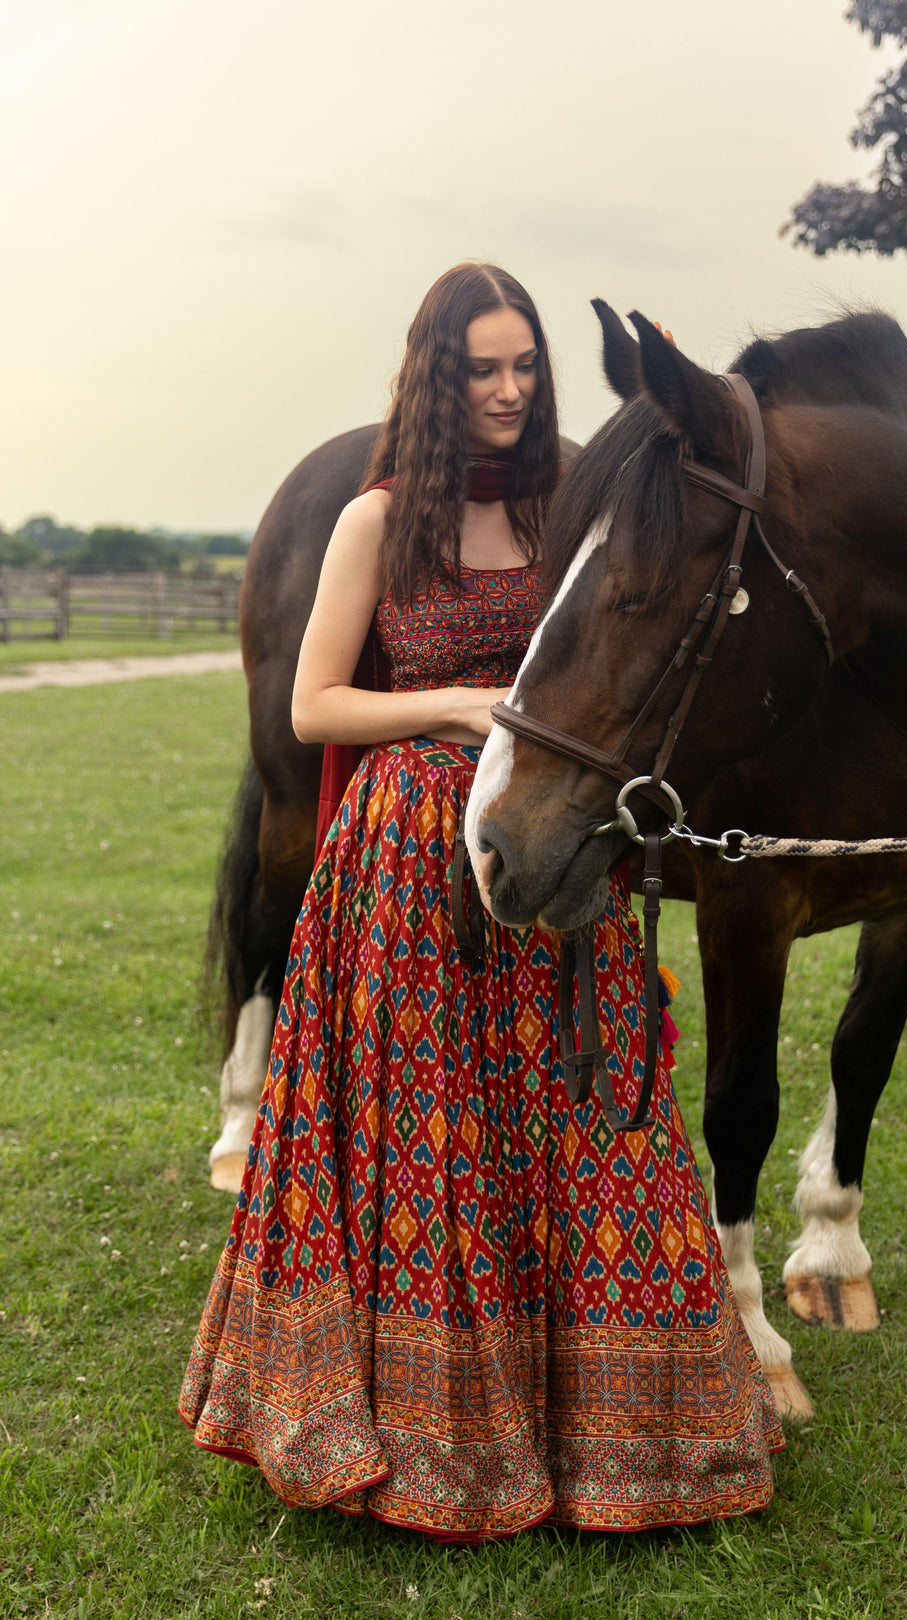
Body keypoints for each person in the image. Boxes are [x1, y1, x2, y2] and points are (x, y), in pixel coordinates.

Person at [179, 263, 783, 1540]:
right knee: (439, 1164)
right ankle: (437, 1439)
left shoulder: (574, 509)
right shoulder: (377, 522)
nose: (508, 392)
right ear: (436, 379)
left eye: (523, 366)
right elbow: (311, 706)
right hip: (410, 854)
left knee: (591, 1143)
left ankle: (629, 1437)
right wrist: (460, 705)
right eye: (481, 370)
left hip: (555, 849)